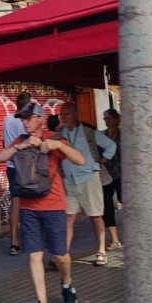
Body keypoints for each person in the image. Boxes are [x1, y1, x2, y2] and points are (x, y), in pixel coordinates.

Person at [0, 103, 86, 303]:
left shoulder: (54, 138)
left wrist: (57, 146)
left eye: (28, 118)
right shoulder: (20, 141)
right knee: (34, 255)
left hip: (54, 206)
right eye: (22, 119)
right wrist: (22, 146)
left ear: (40, 119)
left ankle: (67, 282)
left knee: (60, 255)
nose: (25, 122)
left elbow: (80, 160)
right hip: (28, 208)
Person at [59, 102, 116, 267]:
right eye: (61, 115)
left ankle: (101, 251)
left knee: (95, 216)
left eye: (66, 114)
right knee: (68, 217)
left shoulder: (88, 132)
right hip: (69, 181)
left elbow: (111, 146)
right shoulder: (60, 133)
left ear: (75, 115)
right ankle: (64, 253)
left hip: (89, 179)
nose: (63, 118)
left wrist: (101, 161)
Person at [2, 92, 31, 255]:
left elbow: (4, 143)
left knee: (15, 202)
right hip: (25, 167)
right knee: (32, 200)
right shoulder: (24, 122)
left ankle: (14, 241)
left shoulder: (6, 119)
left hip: (11, 165)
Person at [101, 109, 123, 250]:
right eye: (105, 118)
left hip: (122, 174)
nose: (107, 121)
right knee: (107, 206)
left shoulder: (124, 135)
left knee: (126, 201)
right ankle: (115, 239)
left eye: (109, 118)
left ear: (117, 118)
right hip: (106, 175)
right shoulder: (101, 135)